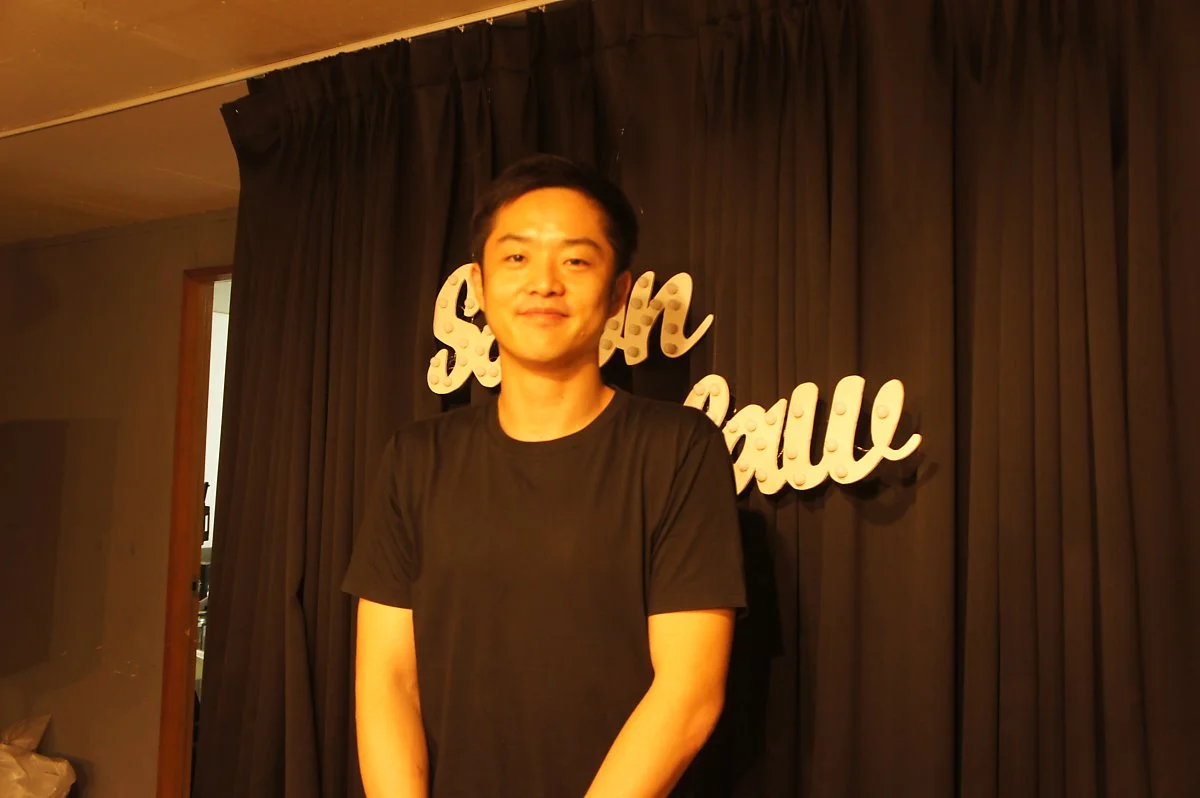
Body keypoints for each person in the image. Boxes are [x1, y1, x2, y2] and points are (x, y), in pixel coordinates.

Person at [342, 154, 746, 797]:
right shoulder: (416, 459)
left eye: (576, 260)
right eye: (517, 257)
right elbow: (388, 680)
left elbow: (689, 691)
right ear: (478, 285)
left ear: (619, 291)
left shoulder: (678, 450)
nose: (544, 284)